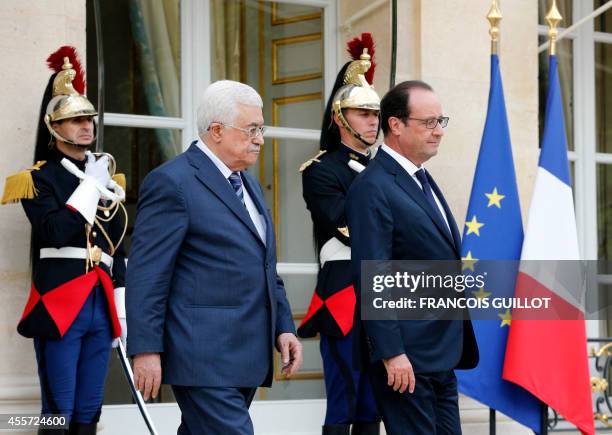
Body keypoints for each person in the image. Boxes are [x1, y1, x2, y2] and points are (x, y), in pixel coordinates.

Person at [126, 80, 303, 435]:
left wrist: (283, 325)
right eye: (252, 129)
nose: (260, 138)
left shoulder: (248, 183)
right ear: (217, 130)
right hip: (202, 356)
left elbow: (264, 264)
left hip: (245, 355)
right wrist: (145, 349)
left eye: (261, 128)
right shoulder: (172, 182)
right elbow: (148, 274)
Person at [1, 46, 127, 435]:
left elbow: (118, 246)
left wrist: (123, 311)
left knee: (90, 411)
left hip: (100, 302)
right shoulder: (38, 179)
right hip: (60, 301)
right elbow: (55, 231)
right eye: (74, 120)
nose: (85, 126)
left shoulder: (106, 178)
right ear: (54, 127)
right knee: (58, 410)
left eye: (88, 118)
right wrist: (90, 186)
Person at [346, 81, 479, 435]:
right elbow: (373, 274)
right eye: (429, 122)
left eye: (441, 121)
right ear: (396, 124)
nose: (438, 131)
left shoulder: (421, 179)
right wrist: (391, 352)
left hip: (440, 354)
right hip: (405, 358)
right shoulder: (373, 187)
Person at [298, 33, 381, 435]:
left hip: (383, 290)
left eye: (376, 114)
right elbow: (347, 227)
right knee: (344, 401)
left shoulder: (385, 171)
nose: (373, 122)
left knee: (373, 404)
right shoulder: (321, 170)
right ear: (340, 117)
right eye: (363, 113)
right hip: (345, 292)